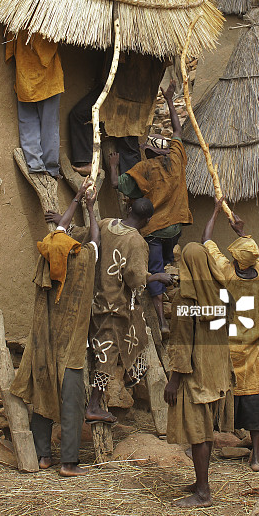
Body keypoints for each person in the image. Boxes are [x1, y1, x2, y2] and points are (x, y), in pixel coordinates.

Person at [10, 179, 98, 477]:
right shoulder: (83, 261)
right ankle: (69, 463)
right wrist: (88, 206)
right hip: (71, 349)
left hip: (44, 345)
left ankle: (43, 456)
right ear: (74, 248)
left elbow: (57, 236)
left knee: (43, 397)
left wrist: (70, 205)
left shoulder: (47, 259)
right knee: (71, 404)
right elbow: (95, 238)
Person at [110, 80, 192, 335]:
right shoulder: (176, 160)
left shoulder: (145, 169)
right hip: (175, 228)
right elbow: (177, 132)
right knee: (167, 258)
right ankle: (166, 268)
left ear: (149, 153)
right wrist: (169, 100)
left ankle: (162, 320)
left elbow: (117, 184)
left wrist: (113, 164)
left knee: (154, 270)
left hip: (155, 229)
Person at [201, 197, 259, 472]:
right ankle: (256, 456)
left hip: (228, 347)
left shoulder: (227, 272)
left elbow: (206, 239)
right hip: (253, 348)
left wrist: (216, 211)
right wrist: (243, 233)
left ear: (235, 259)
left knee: (217, 394)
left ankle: (205, 446)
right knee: (254, 400)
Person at [86, 197, 172, 423]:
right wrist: (157, 276)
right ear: (148, 220)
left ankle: (132, 374)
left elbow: (87, 235)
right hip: (113, 305)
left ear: (129, 208)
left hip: (94, 298)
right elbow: (135, 279)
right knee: (108, 352)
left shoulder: (106, 224)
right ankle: (94, 404)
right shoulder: (136, 242)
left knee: (117, 341)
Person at [164, 236, 235, 508]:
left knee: (198, 433)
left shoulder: (186, 298)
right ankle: (200, 481)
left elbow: (182, 344)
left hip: (195, 374)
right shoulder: (221, 294)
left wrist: (174, 380)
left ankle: (203, 492)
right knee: (205, 430)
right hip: (216, 371)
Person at [69, 51, 165, 176]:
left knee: (128, 138)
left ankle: (132, 185)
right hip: (124, 91)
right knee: (128, 140)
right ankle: (132, 184)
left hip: (127, 94)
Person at [5, 31, 64, 177]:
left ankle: (35, 164)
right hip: (49, 81)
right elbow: (46, 53)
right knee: (49, 125)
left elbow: (9, 51)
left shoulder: (15, 25)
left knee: (28, 123)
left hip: (25, 79)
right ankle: (51, 168)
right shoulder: (45, 24)